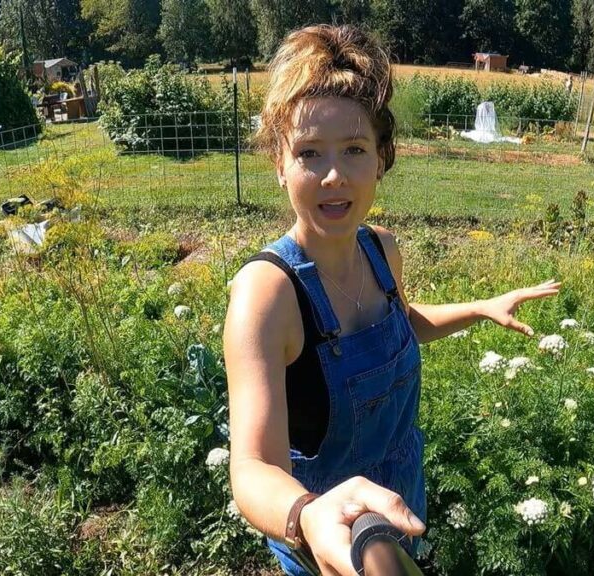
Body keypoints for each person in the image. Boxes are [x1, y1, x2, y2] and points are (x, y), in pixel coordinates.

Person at [223, 24, 561, 576]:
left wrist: (480, 307)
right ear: (279, 166)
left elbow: (402, 323)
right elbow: (253, 467)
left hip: (402, 509)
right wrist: (308, 516)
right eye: (310, 153)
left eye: (354, 149)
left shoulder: (382, 251)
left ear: (381, 158)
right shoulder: (267, 294)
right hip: (326, 547)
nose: (334, 176)